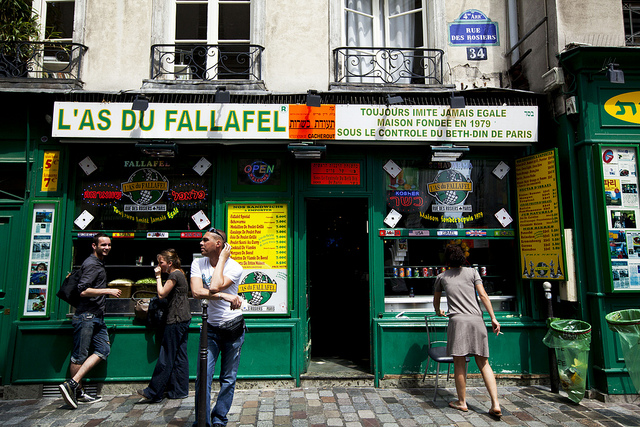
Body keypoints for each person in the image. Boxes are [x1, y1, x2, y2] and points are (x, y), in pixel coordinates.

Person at [433, 244, 502, 419]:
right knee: (484, 363)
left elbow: (436, 302)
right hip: (477, 321)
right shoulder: (472, 273)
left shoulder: (441, 277)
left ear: (447, 259)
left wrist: (438, 311)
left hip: (458, 323)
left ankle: (462, 402)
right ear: (462, 258)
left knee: (459, 364)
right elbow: (483, 295)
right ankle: (495, 404)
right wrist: (493, 318)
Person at [59, 232, 121, 409]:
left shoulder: (97, 263)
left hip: (96, 316)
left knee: (103, 349)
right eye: (103, 245)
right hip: (86, 315)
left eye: (109, 245)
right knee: (79, 356)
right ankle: (76, 390)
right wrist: (107, 291)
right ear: (94, 246)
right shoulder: (92, 264)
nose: (107, 247)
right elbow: (83, 291)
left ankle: (74, 384)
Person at [190, 227, 244, 427]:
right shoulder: (198, 263)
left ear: (218, 244)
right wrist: (226, 295)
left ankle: (219, 418)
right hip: (210, 329)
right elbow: (196, 292)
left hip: (233, 328)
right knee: (203, 377)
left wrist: (221, 260)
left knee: (228, 378)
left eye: (205, 240)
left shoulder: (234, 267)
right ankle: (202, 421)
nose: (201, 243)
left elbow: (212, 287)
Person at [137, 249, 192, 402]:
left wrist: (158, 276)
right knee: (180, 355)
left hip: (175, 319)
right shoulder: (180, 273)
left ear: (169, 263)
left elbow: (161, 293)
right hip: (183, 318)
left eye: (161, 263)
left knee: (166, 355)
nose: (159, 266)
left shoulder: (174, 274)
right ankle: (179, 390)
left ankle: (154, 392)